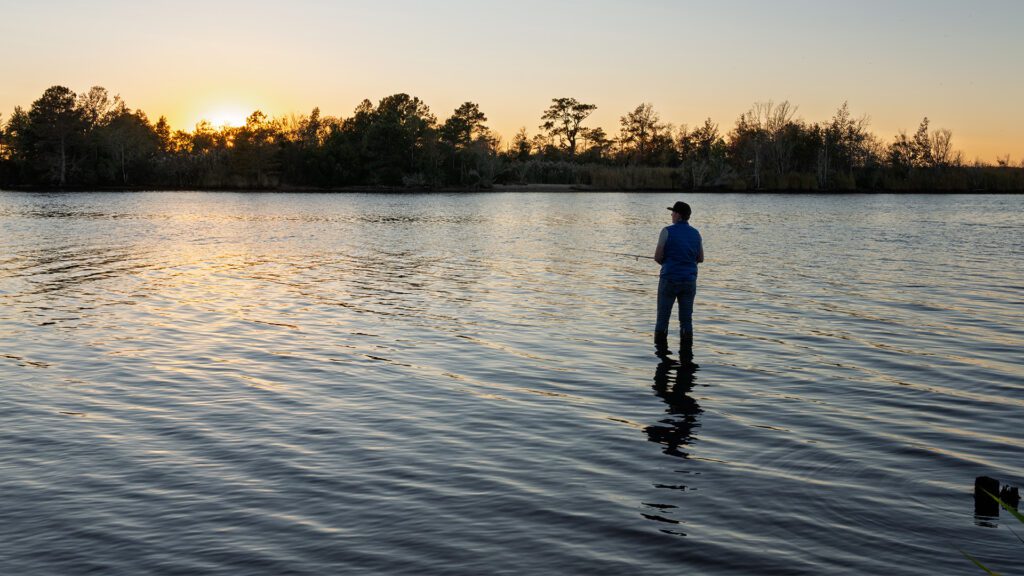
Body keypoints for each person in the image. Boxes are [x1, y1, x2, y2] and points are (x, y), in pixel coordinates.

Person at [653, 201, 704, 360]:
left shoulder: (666, 231)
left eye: (673, 212)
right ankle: (687, 358)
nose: (671, 215)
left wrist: (667, 262)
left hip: (669, 279)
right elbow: (700, 258)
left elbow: (657, 257)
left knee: (663, 319)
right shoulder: (696, 234)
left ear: (678, 215)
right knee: (686, 320)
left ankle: (662, 357)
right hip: (689, 282)